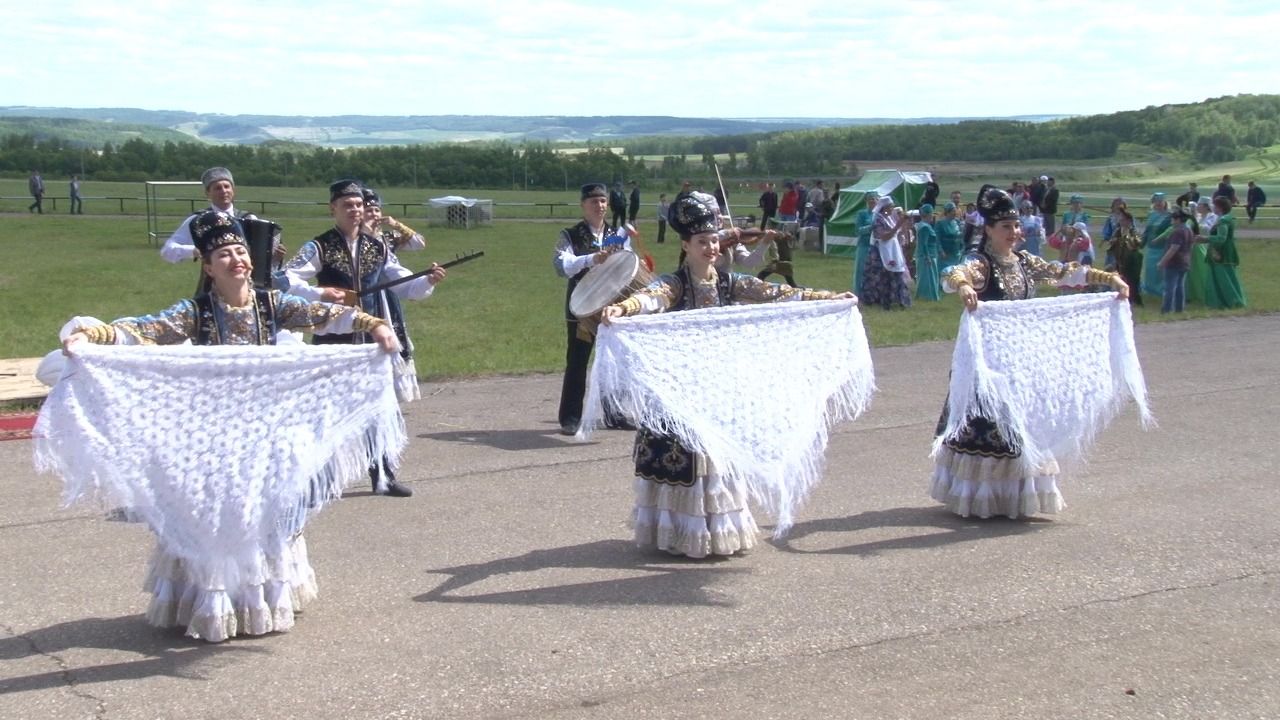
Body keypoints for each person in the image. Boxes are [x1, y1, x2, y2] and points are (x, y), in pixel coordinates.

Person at [59, 209, 399, 641]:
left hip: (263, 430)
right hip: (213, 434)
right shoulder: (194, 312)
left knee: (264, 509)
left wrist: (375, 326)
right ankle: (208, 601)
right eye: (224, 254)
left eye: (240, 251)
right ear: (207, 266)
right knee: (217, 511)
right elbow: (144, 329)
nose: (236, 259)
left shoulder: (271, 304)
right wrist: (93, 336)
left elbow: (324, 314)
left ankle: (258, 600)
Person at [598, 192, 854, 557]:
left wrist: (825, 298)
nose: (711, 247)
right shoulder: (675, 284)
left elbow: (775, 293)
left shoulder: (729, 283)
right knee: (687, 457)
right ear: (686, 245)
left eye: (715, 240)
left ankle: (715, 532)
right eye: (703, 242)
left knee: (719, 457)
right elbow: (651, 297)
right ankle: (678, 533)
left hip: (715, 388)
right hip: (679, 388)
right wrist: (625, 308)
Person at [932, 188, 1130, 519]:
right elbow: (953, 274)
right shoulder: (981, 263)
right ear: (990, 230)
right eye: (1007, 227)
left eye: (1017, 227)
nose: (1015, 233)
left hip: (1020, 360)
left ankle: (1015, 496)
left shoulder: (1025, 262)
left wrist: (1108, 278)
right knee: (989, 427)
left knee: (1025, 423)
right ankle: (982, 496)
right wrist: (965, 285)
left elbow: (1062, 272)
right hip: (988, 361)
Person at [280, 179, 447, 497]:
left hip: (371, 340)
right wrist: (319, 292)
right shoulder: (319, 247)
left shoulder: (377, 247)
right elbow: (285, 278)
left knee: (378, 409)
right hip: (333, 339)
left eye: (358, 204)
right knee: (329, 411)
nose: (355, 210)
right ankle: (322, 479)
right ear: (333, 209)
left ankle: (383, 475)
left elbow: (401, 283)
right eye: (347, 205)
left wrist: (426, 279)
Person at [552, 183, 631, 435]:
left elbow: (626, 265)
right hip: (582, 308)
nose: (600, 206)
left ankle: (614, 413)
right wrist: (591, 259)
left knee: (612, 362)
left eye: (603, 201)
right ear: (583, 205)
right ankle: (570, 418)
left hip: (610, 307)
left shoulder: (615, 235)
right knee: (577, 361)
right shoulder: (571, 235)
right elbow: (561, 265)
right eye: (594, 201)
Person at [162, 167, 286, 267]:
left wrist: (274, 258)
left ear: (233, 190)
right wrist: (194, 250)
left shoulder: (250, 219)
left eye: (227, 186)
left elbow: (262, 262)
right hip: (213, 285)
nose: (223, 191)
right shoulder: (198, 220)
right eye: (217, 188)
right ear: (207, 193)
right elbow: (167, 251)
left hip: (248, 284)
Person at [860, 197, 913, 310]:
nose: (892, 208)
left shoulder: (889, 218)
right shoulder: (878, 219)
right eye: (890, 206)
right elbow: (883, 236)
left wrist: (903, 224)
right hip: (880, 252)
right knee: (879, 277)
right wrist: (898, 225)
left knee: (895, 274)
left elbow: (896, 233)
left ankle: (899, 300)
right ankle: (877, 300)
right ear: (884, 207)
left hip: (892, 250)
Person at [1201, 196, 1246, 309]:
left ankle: (1231, 301)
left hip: (1222, 253)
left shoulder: (1223, 220)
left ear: (1220, 207)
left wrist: (1205, 238)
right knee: (1220, 277)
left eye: (1215, 205)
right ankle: (1220, 301)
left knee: (1224, 278)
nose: (1213, 207)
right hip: (1218, 251)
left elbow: (1222, 238)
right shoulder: (1223, 218)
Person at [1157, 205, 1194, 314]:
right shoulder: (1189, 230)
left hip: (1174, 263)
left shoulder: (1177, 232)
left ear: (1178, 220)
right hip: (1185, 261)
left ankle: (1167, 309)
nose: (1171, 221)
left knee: (1169, 287)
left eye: (1173, 219)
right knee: (1180, 286)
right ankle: (1179, 308)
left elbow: (1173, 248)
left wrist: (1162, 262)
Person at [1139, 193, 1173, 298]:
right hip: (1150, 246)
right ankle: (1150, 289)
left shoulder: (1169, 216)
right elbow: (1147, 231)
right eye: (1156, 202)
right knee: (1150, 269)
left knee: (1160, 270)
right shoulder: (1152, 215)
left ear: (1165, 203)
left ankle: (1160, 290)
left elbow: (1171, 231)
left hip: (1162, 246)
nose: (1158, 204)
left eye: (1160, 202)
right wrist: (1141, 242)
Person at [1108, 210, 1144, 306]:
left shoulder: (1134, 231)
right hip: (1121, 258)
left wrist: (1128, 238)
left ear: (1128, 221)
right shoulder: (1118, 231)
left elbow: (1139, 243)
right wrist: (1115, 240)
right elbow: (1111, 242)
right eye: (1120, 220)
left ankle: (1135, 299)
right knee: (1121, 278)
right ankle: (1123, 297)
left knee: (1133, 280)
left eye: (1123, 220)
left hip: (1133, 258)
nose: (1121, 221)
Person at [1187, 197, 1217, 304]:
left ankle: (1206, 292)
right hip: (1194, 246)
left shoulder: (1212, 217)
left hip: (1205, 246)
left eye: (1199, 205)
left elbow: (1208, 229)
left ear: (1205, 206)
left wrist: (1195, 223)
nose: (1197, 207)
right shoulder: (1198, 217)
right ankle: (1192, 293)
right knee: (1192, 271)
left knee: (1204, 269)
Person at [913, 204, 941, 301]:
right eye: (932, 213)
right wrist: (927, 256)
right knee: (927, 276)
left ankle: (924, 295)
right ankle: (926, 295)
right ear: (928, 214)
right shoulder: (924, 227)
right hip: (927, 255)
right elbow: (923, 243)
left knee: (928, 275)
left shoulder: (923, 225)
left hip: (930, 254)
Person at [852, 193, 877, 294]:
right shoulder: (862, 214)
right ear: (866, 201)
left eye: (875, 199)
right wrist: (870, 228)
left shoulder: (879, 214)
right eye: (870, 199)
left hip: (876, 247)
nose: (872, 201)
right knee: (861, 270)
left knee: (874, 271)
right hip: (864, 246)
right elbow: (857, 230)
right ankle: (859, 293)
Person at [935, 202, 964, 270]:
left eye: (955, 211)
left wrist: (962, 248)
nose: (955, 213)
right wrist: (941, 251)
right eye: (953, 211)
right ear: (948, 212)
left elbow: (960, 236)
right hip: (945, 254)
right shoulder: (940, 223)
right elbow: (937, 239)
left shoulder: (957, 222)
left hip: (956, 254)